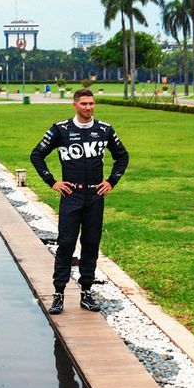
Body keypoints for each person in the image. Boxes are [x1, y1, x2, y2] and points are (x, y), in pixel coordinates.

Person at [30, 87, 128, 315]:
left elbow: (122, 156)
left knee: (91, 244)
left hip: (95, 195)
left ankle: (86, 292)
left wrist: (111, 182)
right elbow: (37, 155)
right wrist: (53, 182)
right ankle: (59, 294)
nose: (88, 108)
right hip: (71, 195)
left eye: (91, 103)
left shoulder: (104, 130)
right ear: (75, 105)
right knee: (65, 244)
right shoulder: (61, 130)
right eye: (84, 104)